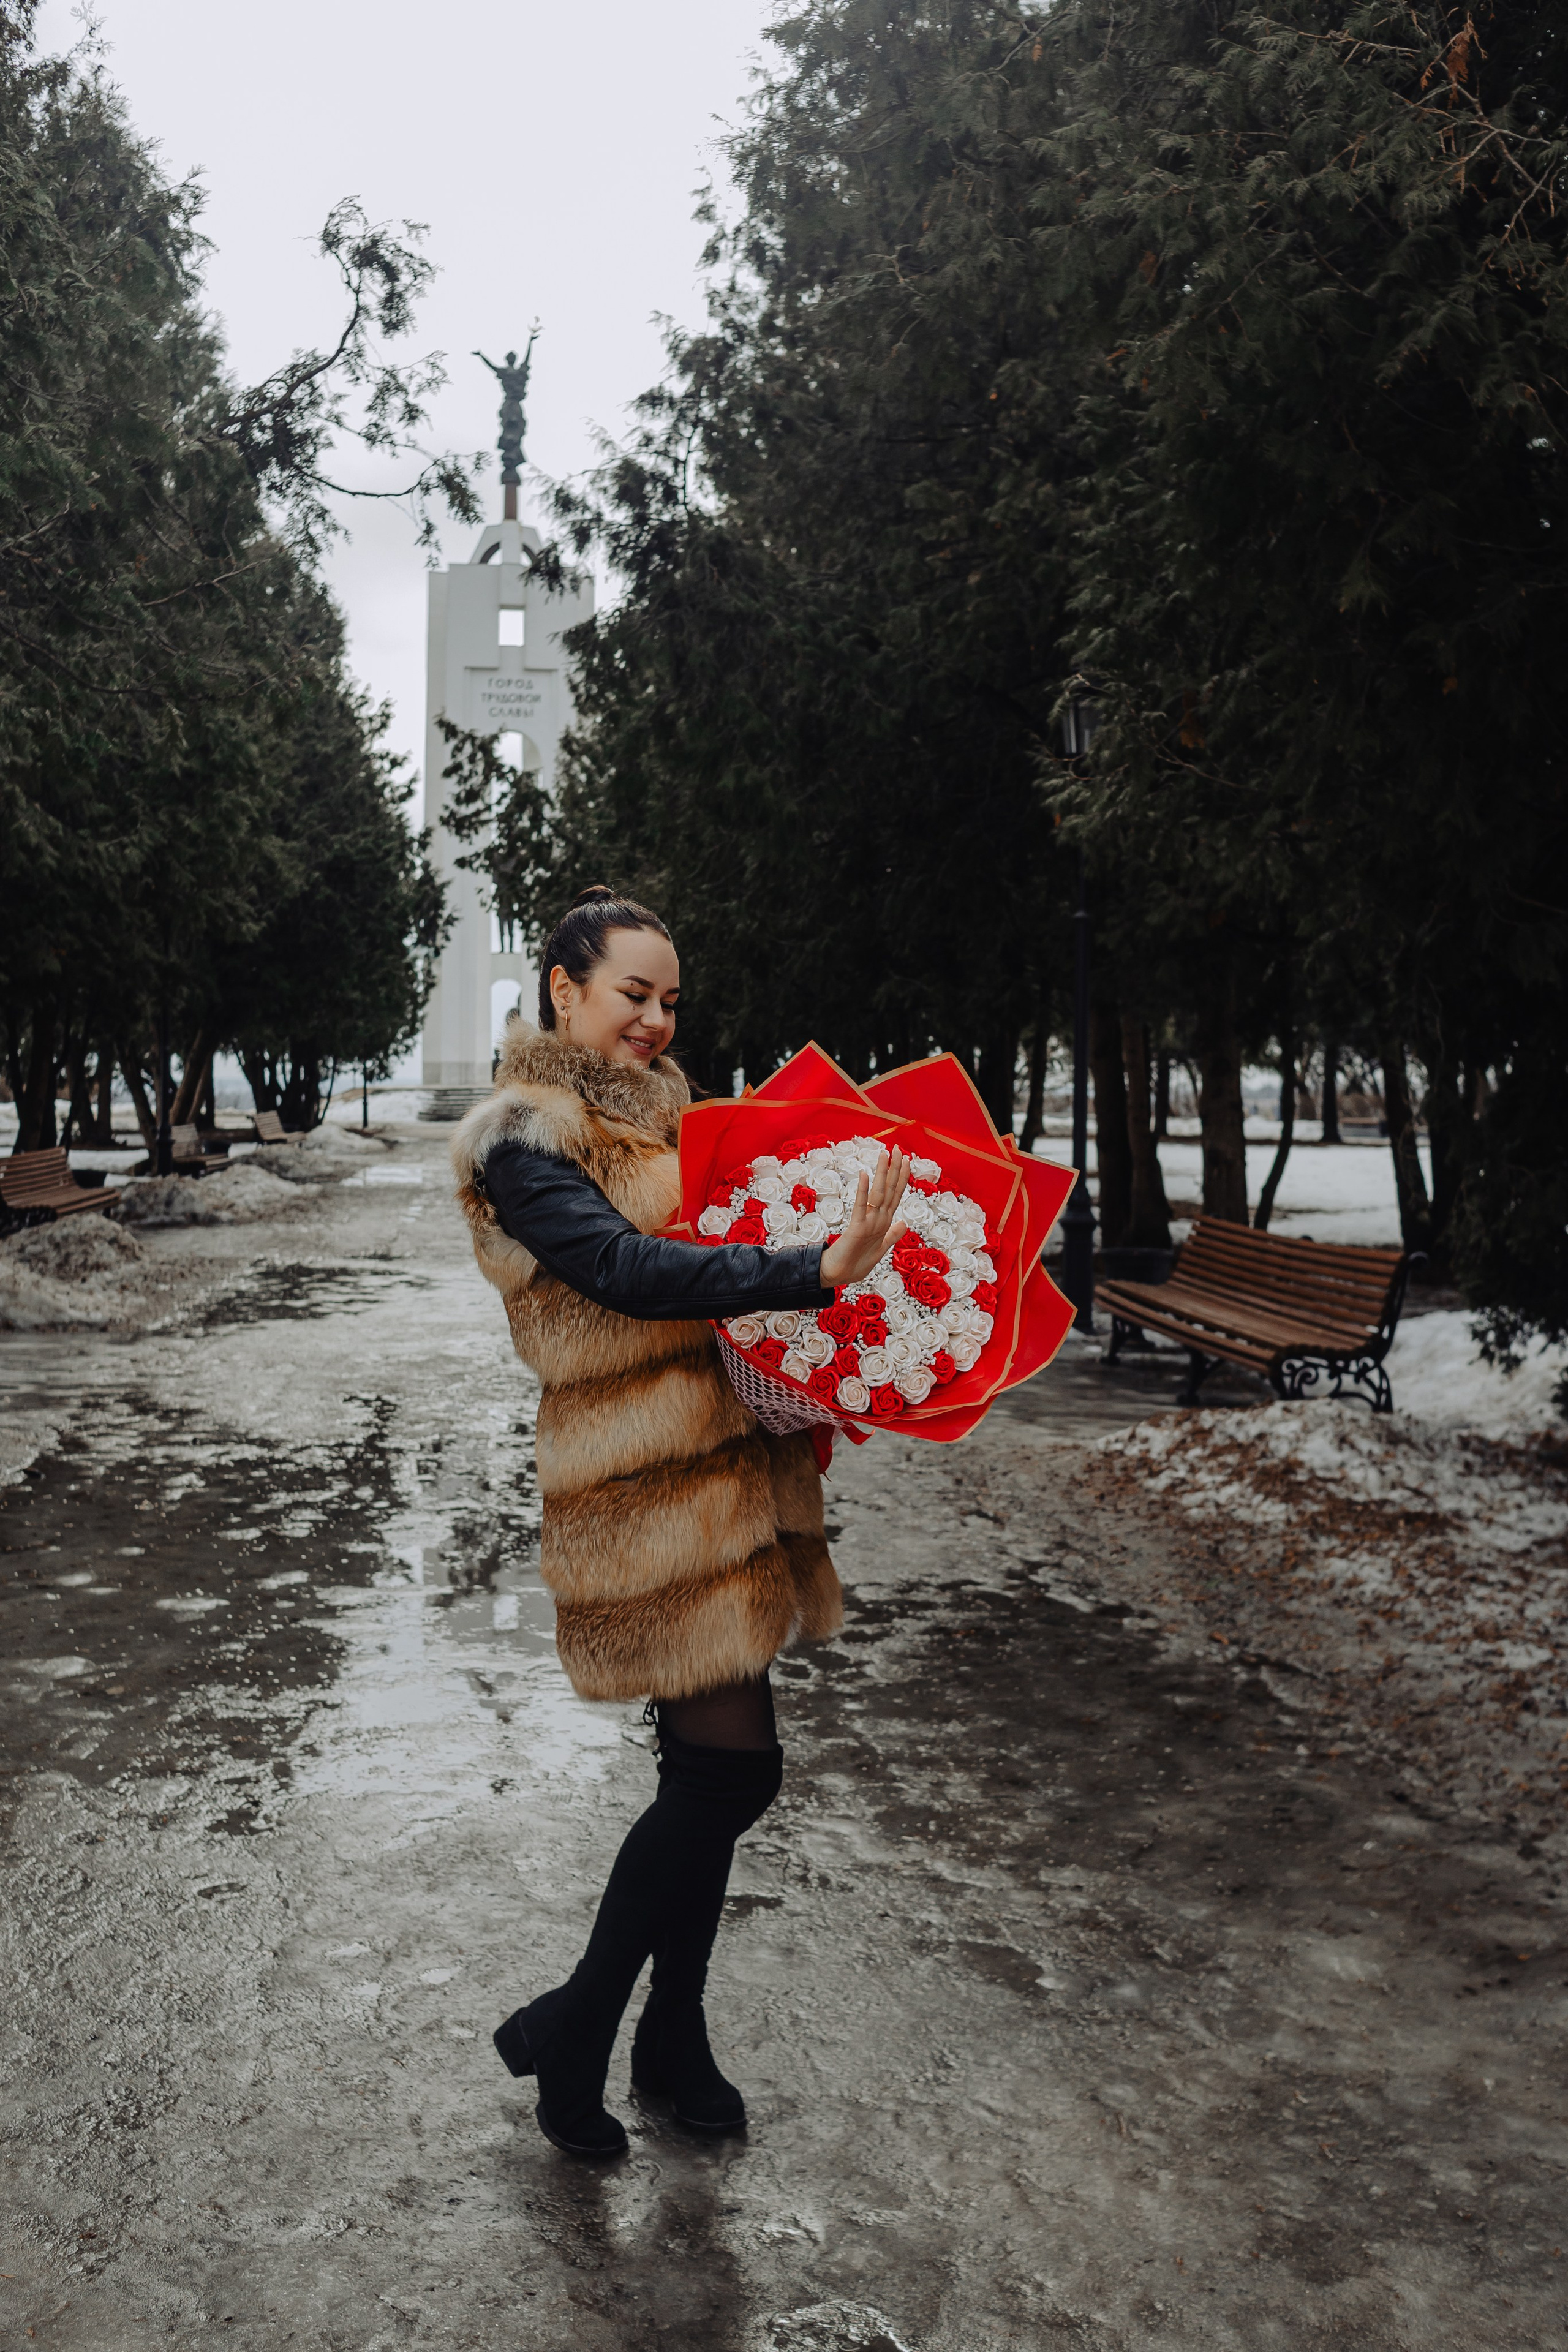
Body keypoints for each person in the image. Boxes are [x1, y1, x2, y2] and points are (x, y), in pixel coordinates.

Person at [451, 884, 908, 2159]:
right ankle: (579, 2028)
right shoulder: (523, 1139)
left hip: (731, 1472)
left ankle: (668, 2036)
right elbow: (625, 1273)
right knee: (730, 1772)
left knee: (704, 1777)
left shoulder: (687, 1130)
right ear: (563, 991)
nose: (653, 1020)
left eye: (668, 1000)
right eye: (628, 995)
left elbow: (723, 1264)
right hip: (642, 1496)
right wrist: (803, 1272)